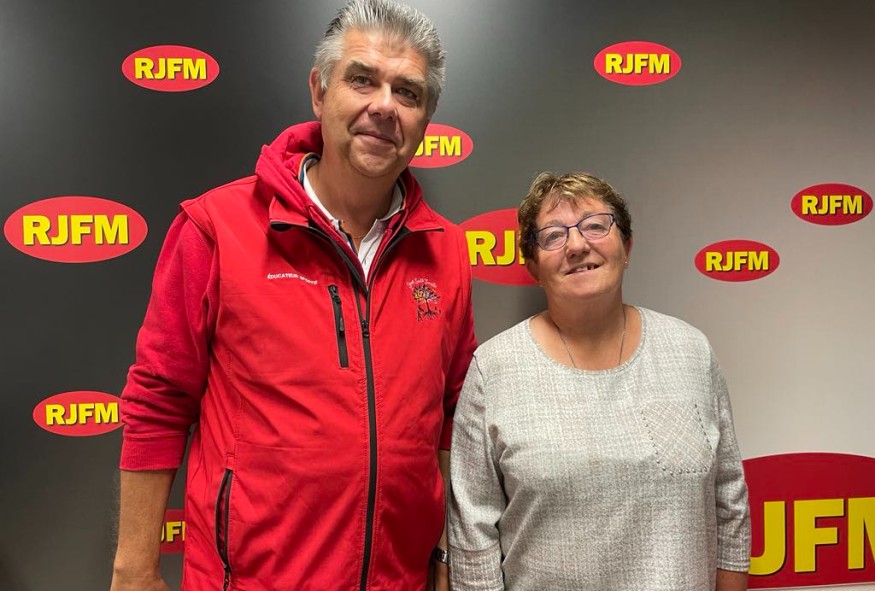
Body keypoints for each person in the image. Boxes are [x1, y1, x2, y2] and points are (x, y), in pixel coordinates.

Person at [110, 1, 476, 590]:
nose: (384, 106)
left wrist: (445, 558)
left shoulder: (447, 250)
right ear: (319, 91)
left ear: (426, 117)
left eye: (407, 92)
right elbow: (159, 402)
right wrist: (134, 570)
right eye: (362, 79)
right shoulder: (217, 228)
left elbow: (451, 419)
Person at [448, 172, 750, 590]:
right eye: (553, 236)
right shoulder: (494, 369)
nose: (576, 245)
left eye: (595, 226)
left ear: (627, 247)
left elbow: (729, 499)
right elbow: (472, 537)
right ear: (533, 266)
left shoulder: (689, 351)